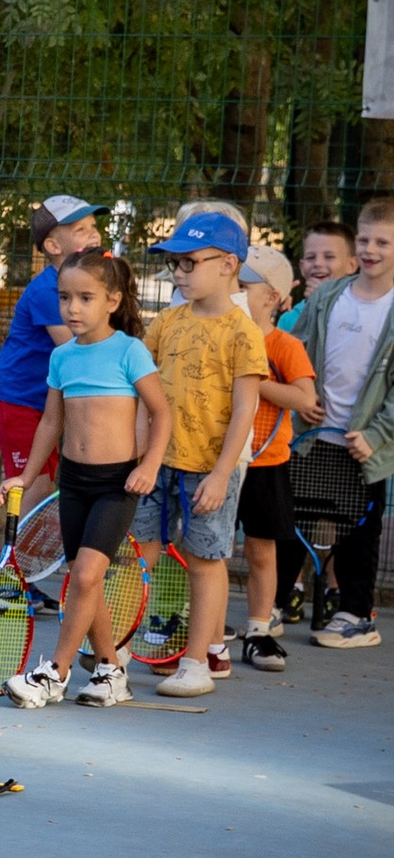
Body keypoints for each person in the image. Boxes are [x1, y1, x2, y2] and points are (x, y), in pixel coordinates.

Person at [3, 249, 169, 710]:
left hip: (117, 484)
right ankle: (111, 671)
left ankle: (54, 673)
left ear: (113, 300)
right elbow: (50, 425)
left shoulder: (130, 351)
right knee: (83, 576)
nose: (72, 309)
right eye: (64, 298)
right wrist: (25, 476)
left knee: (88, 573)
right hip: (72, 483)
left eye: (85, 298)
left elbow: (161, 413)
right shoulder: (62, 357)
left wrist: (148, 466)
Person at [137, 207, 266, 702]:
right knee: (141, 551)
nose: (180, 273)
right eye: (175, 264)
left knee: (204, 560)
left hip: (209, 470)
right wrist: (141, 457)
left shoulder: (243, 332)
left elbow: (243, 412)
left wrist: (219, 474)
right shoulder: (166, 321)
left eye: (190, 262)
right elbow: (145, 397)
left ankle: (196, 662)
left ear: (228, 264)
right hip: (157, 464)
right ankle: (119, 652)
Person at [297, 195, 394, 649]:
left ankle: (357, 615)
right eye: (365, 238)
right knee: (289, 519)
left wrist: (375, 435)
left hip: (363, 445)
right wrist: (301, 398)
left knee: (359, 533)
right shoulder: (331, 297)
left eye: (383, 242)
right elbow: (298, 349)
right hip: (313, 437)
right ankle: (276, 603)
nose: (371, 249)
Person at [234, 244, 320, 668]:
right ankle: (196, 626)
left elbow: (305, 397)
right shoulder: (218, 333)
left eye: (243, 286)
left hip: (265, 464)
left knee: (261, 549)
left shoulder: (283, 345)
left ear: (271, 296)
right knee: (199, 547)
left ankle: (259, 630)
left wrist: (253, 380)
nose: (233, 291)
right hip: (214, 462)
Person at [0, 194, 106, 481]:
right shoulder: (48, 291)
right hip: (20, 403)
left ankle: (39, 527)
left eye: (93, 226)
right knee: (33, 484)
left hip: (45, 403)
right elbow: (74, 346)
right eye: (80, 230)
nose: (93, 234)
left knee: (48, 479)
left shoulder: (81, 285)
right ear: (52, 246)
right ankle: (25, 528)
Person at [285, 222, 356, 334]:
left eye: (329, 257)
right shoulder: (289, 318)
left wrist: (322, 303)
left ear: (351, 265)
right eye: (310, 257)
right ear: (302, 267)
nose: (318, 263)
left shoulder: (357, 315)